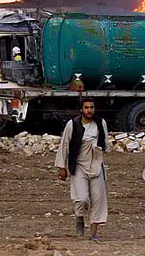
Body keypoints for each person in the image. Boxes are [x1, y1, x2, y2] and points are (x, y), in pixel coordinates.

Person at [54, 98, 112, 242]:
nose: (89, 110)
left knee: (98, 200)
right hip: (79, 165)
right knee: (81, 199)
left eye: (91, 107)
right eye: (86, 108)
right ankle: (79, 217)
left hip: (97, 166)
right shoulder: (72, 124)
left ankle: (94, 234)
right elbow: (64, 145)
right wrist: (62, 167)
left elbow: (105, 145)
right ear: (81, 109)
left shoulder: (100, 123)